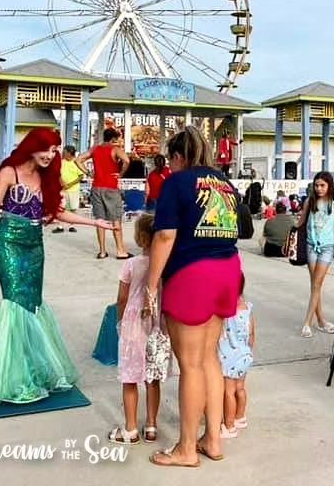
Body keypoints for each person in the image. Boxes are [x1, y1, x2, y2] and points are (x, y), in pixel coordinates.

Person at [0, 128, 117, 403]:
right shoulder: (9, 172)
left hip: (35, 244)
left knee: (32, 304)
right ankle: (12, 380)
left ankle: (33, 370)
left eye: (55, 150)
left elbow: (57, 212)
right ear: (33, 146)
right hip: (9, 241)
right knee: (14, 302)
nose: (50, 155)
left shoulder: (47, 177)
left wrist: (94, 222)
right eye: (47, 149)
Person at [144, 125, 242, 467]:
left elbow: (165, 236)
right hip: (228, 270)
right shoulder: (225, 184)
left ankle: (186, 448)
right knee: (210, 358)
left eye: (171, 159)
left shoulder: (176, 183)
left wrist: (151, 284)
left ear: (178, 156)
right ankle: (212, 439)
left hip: (192, 274)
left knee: (190, 365)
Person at [108, 214, 170, 445]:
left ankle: (131, 428)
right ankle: (151, 425)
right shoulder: (165, 266)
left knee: (130, 378)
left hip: (133, 326)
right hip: (157, 326)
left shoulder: (131, 264)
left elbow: (122, 298)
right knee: (152, 379)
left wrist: (120, 322)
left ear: (141, 238)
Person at [298, 171, 334, 338]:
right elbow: (301, 222)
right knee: (315, 285)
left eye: (322, 185)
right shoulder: (310, 201)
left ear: (329, 186)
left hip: (327, 248)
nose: (319, 188)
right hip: (311, 246)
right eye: (316, 185)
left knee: (316, 284)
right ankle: (321, 321)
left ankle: (307, 322)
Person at [78, 128, 130, 260]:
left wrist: (89, 173)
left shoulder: (95, 149)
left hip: (96, 187)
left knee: (100, 220)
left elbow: (78, 160)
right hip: (111, 188)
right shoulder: (115, 149)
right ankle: (120, 251)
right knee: (115, 219)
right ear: (113, 139)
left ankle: (102, 251)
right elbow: (127, 161)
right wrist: (121, 174)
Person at [219, 273, 255, 439]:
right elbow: (252, 332)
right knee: (240, 389)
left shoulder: (226, 309)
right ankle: (240, 417)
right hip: (244, 354)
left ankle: (229, 425)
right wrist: (249, 349)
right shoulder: (247, 307)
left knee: (228, 392)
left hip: (229, 356)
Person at [53, 145, 84, 234]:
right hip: (62, 189)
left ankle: (72, 225)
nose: (63, 153)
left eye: (65, 152)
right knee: (61, 207)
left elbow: (81, 176)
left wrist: (70, 184)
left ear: (70, 154)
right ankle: (60, 226)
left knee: (73, 208)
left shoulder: (76, 162)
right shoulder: (61, 162)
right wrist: (62, 182)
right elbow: (57, 173)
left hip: (73, 189)